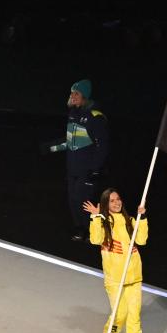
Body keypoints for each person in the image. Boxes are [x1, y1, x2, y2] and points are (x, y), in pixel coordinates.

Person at [82, 188, 147, 333]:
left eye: (118, 199)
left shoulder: (130, 221)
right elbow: (95, 240)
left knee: (134, 316)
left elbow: (141, 240)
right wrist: (96, 217)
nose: (116, 203)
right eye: (112, 201)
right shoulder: (104, 222)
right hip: (115, 278)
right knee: (120, 314)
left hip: (134, 276)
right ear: (105, 204)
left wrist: (142, 219)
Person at [50, 79, 109, 242]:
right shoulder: (73, 114)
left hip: (87, 170)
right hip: (72, 169)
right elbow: (70, 142)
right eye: (71, 92)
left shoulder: (95, 117)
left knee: (84, 201)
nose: (73, 96)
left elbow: (102, 146)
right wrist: (50, 148)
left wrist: (95, 170)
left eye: (76, 93)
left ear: (85, 96)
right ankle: (79, 229)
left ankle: (93, 232)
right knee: (73, 199)